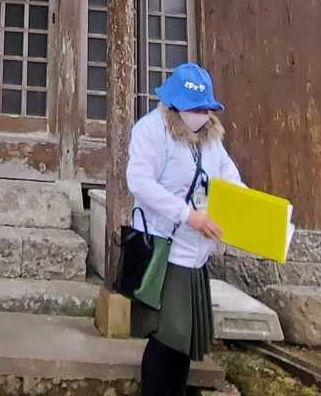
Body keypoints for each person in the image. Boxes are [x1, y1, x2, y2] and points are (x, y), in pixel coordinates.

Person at [125, 63, 243, 396]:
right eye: (195, 108)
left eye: (206, 109)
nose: (201, 115)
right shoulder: (151, 130)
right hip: (164, 249)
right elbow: (140, 181)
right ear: (175, 104)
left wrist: (246, 209)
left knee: (183, 343)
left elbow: (228, 176)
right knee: (166, 339)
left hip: (195, 252)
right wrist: (188, 215)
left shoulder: (210, 137)